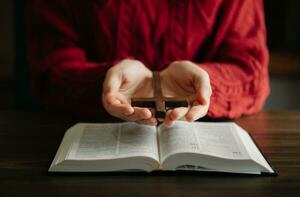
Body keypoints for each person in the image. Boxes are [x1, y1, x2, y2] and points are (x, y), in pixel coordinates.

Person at [27, 0, 269, 127]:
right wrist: (105, 82)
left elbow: (251, 72)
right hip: (89, 134)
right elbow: (50, 65)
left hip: (197, 138)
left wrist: (205, 84)